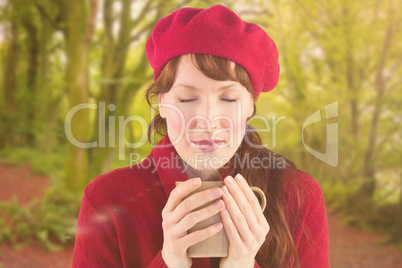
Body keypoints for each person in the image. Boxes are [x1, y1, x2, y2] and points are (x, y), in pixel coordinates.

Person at [72, 4, 330, 268]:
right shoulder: (106, 200)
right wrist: (168, 263)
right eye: (186, 98)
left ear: (251, 105)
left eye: (229, 98)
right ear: (162, 102)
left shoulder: (299, 197)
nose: (207, 120)